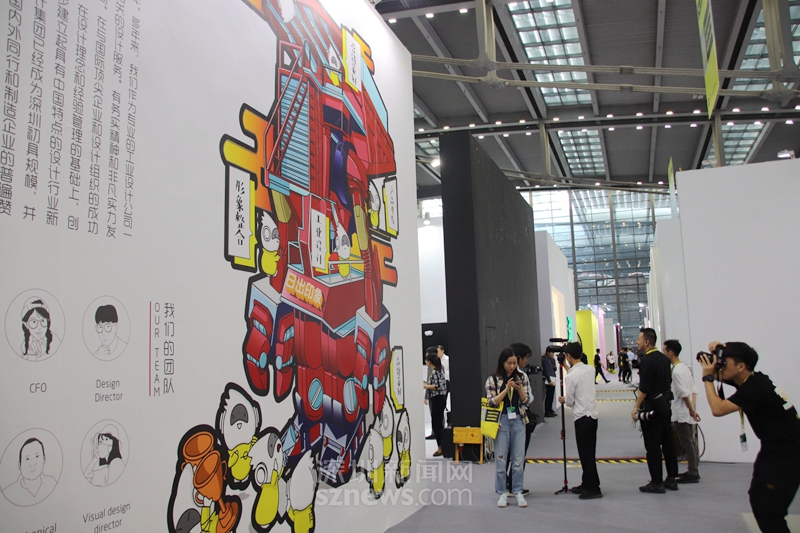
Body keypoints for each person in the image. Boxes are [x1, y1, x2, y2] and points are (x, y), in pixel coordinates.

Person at [700, 341, 800, 533]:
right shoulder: (753, 380)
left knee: (770, 511)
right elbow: (721, 375)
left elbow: (718, 409)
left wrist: (707, 377)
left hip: (787, 455)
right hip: (773, 449)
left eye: (725, 362)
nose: (721, 366)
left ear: (741, 366)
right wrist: (716, 355)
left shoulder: (756, 388)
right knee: (757, 496)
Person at [631, 328, 679, 493]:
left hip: (652, 409)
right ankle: (671, 478)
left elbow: (644, 388)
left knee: (652, 446)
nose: (637, 342)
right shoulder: (665, 359)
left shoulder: (647, 361)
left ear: (646, 342)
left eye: (639, 339)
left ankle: (656, 481)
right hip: (665, 406)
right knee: (668, 443)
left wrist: (636, 406)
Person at [485, 347, 531, 508]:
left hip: (518, 420)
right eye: (509, 363)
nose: (512, 366)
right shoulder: (493, 379)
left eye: (514, 363)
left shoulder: (522, 377)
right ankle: (502, 492)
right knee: (501, 459)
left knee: (518, 459)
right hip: (501, 421)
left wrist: (519, 390)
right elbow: (491, 401)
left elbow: (526, 401)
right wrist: (506, 390)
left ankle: (517, 491)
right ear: (502, 363)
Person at [559, 342, 602, 499]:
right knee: (590, 452)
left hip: (581, 417)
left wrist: (564, 399)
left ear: (568, 356)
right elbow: (577, 375)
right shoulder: (590, 369)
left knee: (585, 454)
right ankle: (587, 483)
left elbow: (570, 401)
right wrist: (566, 367)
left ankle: (594, 488)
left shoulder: (571, 376)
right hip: (592, 416)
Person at [663, 339, 701, 483]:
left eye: (665, 350)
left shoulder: (676, 372)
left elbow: (684, 393)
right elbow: (693, 390)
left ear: (670, 352)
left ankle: (693, 472)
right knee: (690, 441)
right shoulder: (684, 368)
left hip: (682, 412)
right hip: (687, 411)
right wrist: (692, 408)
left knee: (686, 443)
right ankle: (693, 469)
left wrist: (691, 409)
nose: (663, 353)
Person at [507, 342, 536, 496]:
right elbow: (527, 399)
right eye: (525, 358)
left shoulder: (499, 375)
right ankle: (514, 485)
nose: (526, 361)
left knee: (504, 455)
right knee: (519, 454)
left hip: (504, 419)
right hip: (520, 418)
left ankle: (505, 485)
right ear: (519, 358)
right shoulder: (522, 376)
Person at [1, 437, 58, 506]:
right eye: (27, 459)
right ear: (19, 465)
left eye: (37, 456)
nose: (32, 464)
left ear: (44, 459)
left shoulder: (52, 483)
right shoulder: (9, 492)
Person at [422, 352, 447, 457]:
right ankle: (441, 446)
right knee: (437, 423)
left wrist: (426, 386)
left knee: (436, 424)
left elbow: (436, 386)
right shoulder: (437, 371)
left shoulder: (435, 372)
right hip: (438, 399)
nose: (426, 362)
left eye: (427, 360)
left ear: (430, 362)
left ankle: (440, 447)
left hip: (437, 399)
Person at [423, 346, 438, 440]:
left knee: (435, 414)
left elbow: (433, 384)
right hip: (434, 394)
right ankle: (435, 431)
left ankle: (435, 432)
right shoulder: (435, 367)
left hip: (434, 395)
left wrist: (426, 394)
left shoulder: (434, 369)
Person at [541, 348, 557, 417]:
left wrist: (554, 367)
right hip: (549, 379)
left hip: (553, 377)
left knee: (551, 395)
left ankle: (550, 409)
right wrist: (549, 380)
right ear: (548, 352)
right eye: (551, 352)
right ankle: (547, 411)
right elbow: (546, 370)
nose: (552, 354)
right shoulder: (546, 360)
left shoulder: (552, 360)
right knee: (549, 396)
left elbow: (554, 369)